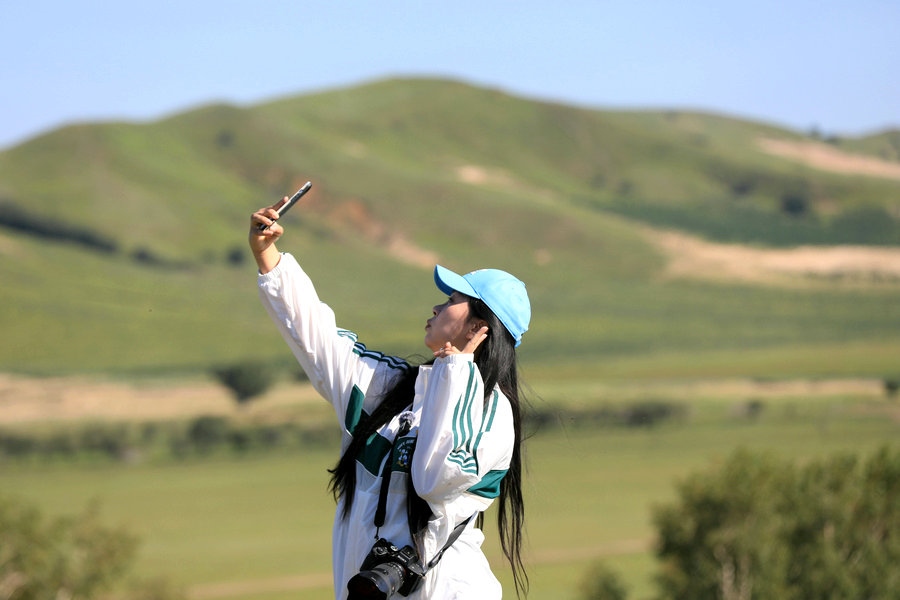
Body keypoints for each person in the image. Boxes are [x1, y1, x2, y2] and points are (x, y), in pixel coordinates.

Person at [249, 197, 530, 600]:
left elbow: (435, 480)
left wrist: (457, 369)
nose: (437, 306)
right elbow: (319, 339)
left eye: (452, 300)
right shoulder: (391, 386)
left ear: (479, 327)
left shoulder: (493, 413)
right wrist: (268, 256)